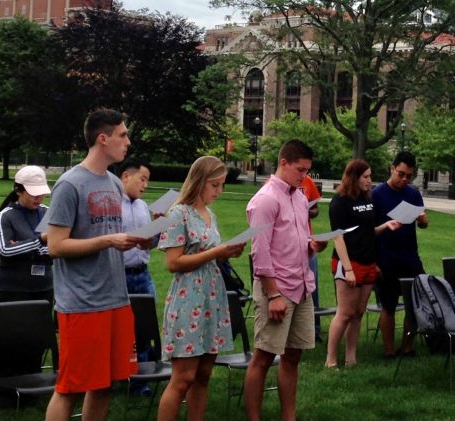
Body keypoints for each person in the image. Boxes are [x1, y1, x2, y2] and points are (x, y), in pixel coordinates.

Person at [45, 108, 148, 421]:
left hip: (116, 299)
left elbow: (110, 233)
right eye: (122, 135)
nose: (128, 142)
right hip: (82, 303)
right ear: (103, 139)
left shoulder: (115, 184)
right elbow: (55, 245)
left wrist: (141, 239)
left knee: (105, 385)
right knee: (70, 387)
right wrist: (108, 241)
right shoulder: (69, 184)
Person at [243, 139, 328, 421]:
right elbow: (260, 252)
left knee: (293, 356)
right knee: (264, 357)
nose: (304, 176)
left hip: (302, 285)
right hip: (277, 289)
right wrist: (273, 294)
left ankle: (288, 416)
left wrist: (313, 244)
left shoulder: (299, 197)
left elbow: (298, 238)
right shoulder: (266, 199)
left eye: (307, 171)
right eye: (300, 170)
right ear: (283, 163)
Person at [156, 156, 245, 421]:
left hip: (212, 297)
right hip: (188, 298)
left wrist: (227, 252)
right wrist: (216, 251)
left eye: (222, 185)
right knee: (183, 378)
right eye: (214, 185)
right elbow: (173, 262)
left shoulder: (210, 214)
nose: (219, 191)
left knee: (203, 375)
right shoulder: (178, 213)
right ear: (199, 182)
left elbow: (209, 252)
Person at [326, 160, 401, 367]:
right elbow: (338, 237)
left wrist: (385, 226)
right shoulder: (340, 202)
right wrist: (348, 269)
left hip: (368, 261)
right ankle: (331, 359)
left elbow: (367, 232)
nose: (370, 181)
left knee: (358, 313)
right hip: (349, 262)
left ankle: (351, 357)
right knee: (345, 313)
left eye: (370, 176)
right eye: (366, 177)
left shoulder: (367, 199)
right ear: (354, 177)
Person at [373, 151, 428, 357]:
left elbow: (422, 222)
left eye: (409, 176)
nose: (404, 179)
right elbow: (370, 230)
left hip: (410, 257)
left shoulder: (413, 194)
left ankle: (407, 346)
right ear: (392, 169)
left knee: (414, 305)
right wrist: (374, 262)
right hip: (386, 257)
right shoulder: (377, 194)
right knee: (388, 305)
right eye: (401, 174)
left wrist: (423, 221)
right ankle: (388, 351)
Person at [0, 165, 53, 304]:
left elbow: (58, 247)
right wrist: (41, 240)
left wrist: (21, 246)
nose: (39, 198)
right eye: (33, 193)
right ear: (18, 191)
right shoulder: (5, 216)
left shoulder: (47, 213)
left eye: (41, 193)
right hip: (11, 289)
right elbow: (5, 250)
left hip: (44, 288)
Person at [119, 158, 158, 297]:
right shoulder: (111, 205)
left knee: (148, 318)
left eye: (147, 180)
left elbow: (149, 245)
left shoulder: (143, 206)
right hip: (118, 278)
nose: (145, 185)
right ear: (126, 176)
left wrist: (158, 227)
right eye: (142, 179)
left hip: (144, 276)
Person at [299, 174, 324, 341]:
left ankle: (314, 329)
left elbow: (316, 209)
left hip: (308, 241)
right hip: (288, 246)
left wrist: (306, 211)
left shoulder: (307, 181)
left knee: (312, 286)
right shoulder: (273, 185)